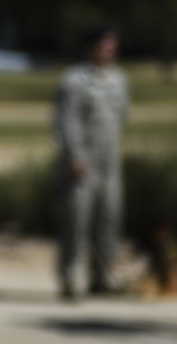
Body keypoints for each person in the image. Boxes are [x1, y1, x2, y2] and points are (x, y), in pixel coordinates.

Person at [53, 26, 129, 298]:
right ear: (91, 48)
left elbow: (122, 116)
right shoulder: (74, 80)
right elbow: (66, 121)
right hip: (82, 161)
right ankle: (70, 278)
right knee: (77, 222)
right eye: (104, 45)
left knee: (109, 218)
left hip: (109, 161)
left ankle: (103, 276)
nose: (109, 50)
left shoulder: (119, 79)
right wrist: (75, 156)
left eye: (112, 45)